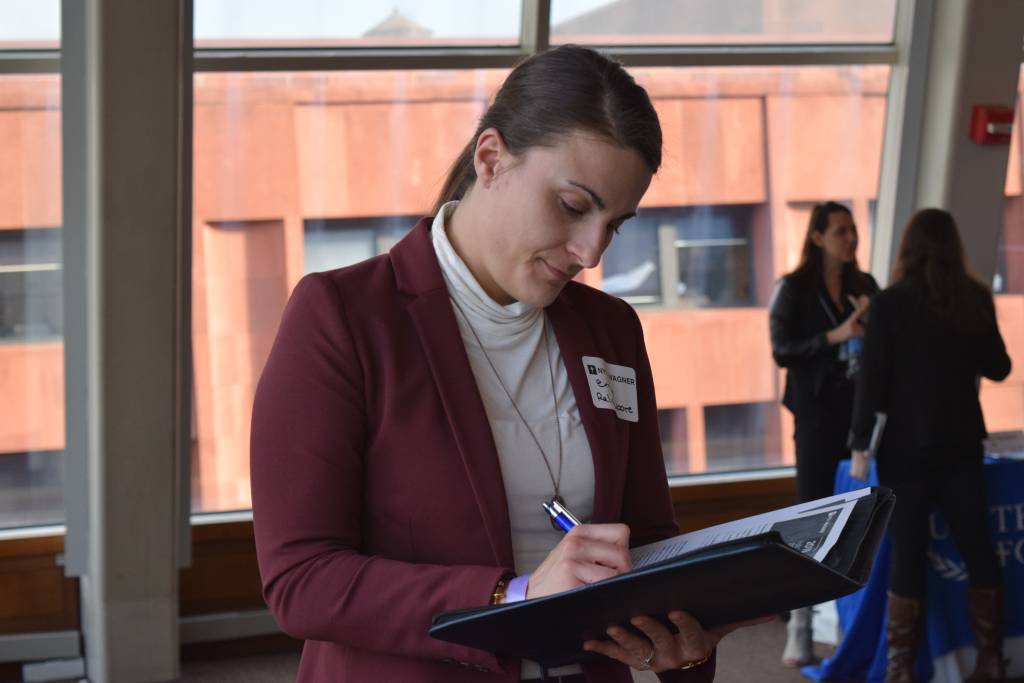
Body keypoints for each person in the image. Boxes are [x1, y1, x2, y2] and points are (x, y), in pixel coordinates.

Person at [250, 45, 755, 683]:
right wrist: (512, 597)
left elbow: (646, 536)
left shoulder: (611, 331)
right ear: (490, 159)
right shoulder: (344, 316)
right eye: (573, 206)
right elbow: (303, 580)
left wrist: (684, 642)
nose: (590, 253)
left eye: (615, 225)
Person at [849, 208, 1011, 682]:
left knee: (908, 554)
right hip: (961, 444)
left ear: (908, 248)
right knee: (978, 547)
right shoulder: (974, 297)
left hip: (904, 449)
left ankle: (901, 670)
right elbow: (1000, 367)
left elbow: (872, 383)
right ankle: (991, 660)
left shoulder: (889, 303)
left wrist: (860, 444)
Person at [768, 201, 879, 666]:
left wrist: (871, 327)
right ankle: (801, 623)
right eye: (840, 231)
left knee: (861, 515)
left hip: (858, 417)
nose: (851, 238)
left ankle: (849, 622)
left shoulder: (866, 285)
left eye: (853, 230)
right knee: (812, 516)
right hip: (815, 415)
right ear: (817, 237)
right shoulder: (794, 288)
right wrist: (837, 335)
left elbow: (886, 346)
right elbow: (782, 350)